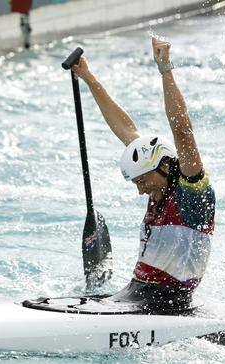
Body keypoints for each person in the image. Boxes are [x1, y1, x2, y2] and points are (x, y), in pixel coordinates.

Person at [71, 36, 215, 312]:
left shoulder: (192, 193)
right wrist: (87, 76)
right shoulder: (156, 177)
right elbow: (125, 129)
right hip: (135, 294)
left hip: (168, 304)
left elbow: (182, 129)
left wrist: (165, 68)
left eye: (142, 181)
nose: (140, 190)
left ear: (164, 166)